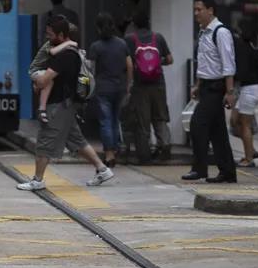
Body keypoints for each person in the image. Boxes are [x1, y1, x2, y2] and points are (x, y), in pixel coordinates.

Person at [17, 17, 114, 191]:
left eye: (50, 34)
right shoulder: (68, 52)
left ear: (61, 35)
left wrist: (38, 81)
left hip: (59, 104)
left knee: (45, 140)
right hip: (68, 104)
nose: (47, 38)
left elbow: (44, 81)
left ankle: (37, 180)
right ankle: (102, 169)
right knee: (76, 140)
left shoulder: (65, 56)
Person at [184, 0, 237, 183]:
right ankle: (228, 172)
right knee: (217, 132)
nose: (196, 13)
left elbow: (228, 64)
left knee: (197, 125)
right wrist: (197, 85)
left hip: (217, 87)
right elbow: (204, 62)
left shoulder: (220, 32)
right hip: (206, 86)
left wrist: (230, 93)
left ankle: (199, 169)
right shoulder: (203, 31)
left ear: (210, 10)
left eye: (199, 9)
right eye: (195, 10)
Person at [125, 11, 174, 162]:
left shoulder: (129, 39)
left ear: (134, 24)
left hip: (140, 86)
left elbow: (128, 64)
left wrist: (130, 83)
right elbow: (170, 59)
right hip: (158, 84)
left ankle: (144, 155)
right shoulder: (157, 37)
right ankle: (164, 149)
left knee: (142, 120)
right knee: (160, 117)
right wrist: (156, 64)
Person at [87, 13, 132, 167]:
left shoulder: (95, 46)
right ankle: (116, 148)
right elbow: (130, 65)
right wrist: (128, 86)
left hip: (102, 89)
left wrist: (89, 90)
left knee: (105, 121)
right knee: (115, 120)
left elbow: (90, 70)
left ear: (98, 28)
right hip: (119, 87)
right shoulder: (122, 44)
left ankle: (109, 155)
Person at [28, 20, 78, 125]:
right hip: (35, 70)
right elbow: (52, 52)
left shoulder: (67, 50)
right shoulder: (50, 44)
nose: (47, 36)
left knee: (76, 139)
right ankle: (42, 109)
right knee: (48, 81)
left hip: (43, 72)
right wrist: (69, 43)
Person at [230, 21, 258, 168]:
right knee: (234, 120)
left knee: (245, 124)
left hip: (250, 89)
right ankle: (251, 150)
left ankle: (248, 158)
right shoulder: (255, 46)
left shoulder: (243, 47)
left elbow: (242, 71)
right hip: (252, 88)